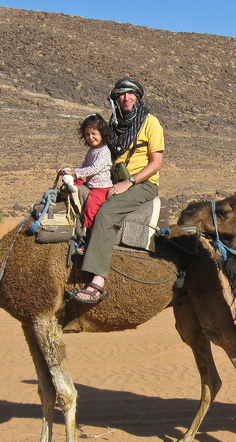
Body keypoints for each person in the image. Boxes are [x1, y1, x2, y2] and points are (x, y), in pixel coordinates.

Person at [69, 77, 164, 304]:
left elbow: (156, 164)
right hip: (115, 179)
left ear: (137, 97)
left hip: (142, 184)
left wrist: (129, 182)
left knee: (108, 212)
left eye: (131, 94)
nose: (126, 98)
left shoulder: (151, 123)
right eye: (122, 94)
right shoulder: (115, 124)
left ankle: (98, 281)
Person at [62, 114, 113, 231]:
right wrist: (71, 173)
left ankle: (91, 231)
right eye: (87, 134)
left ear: (102, 133)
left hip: (101, 188)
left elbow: (93, 168)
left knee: (91, 206)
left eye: (94, 134)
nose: (90, 137)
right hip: (91, 185)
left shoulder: (104, 151)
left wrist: (73, 172)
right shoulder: (91, 151)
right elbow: (85, 166)